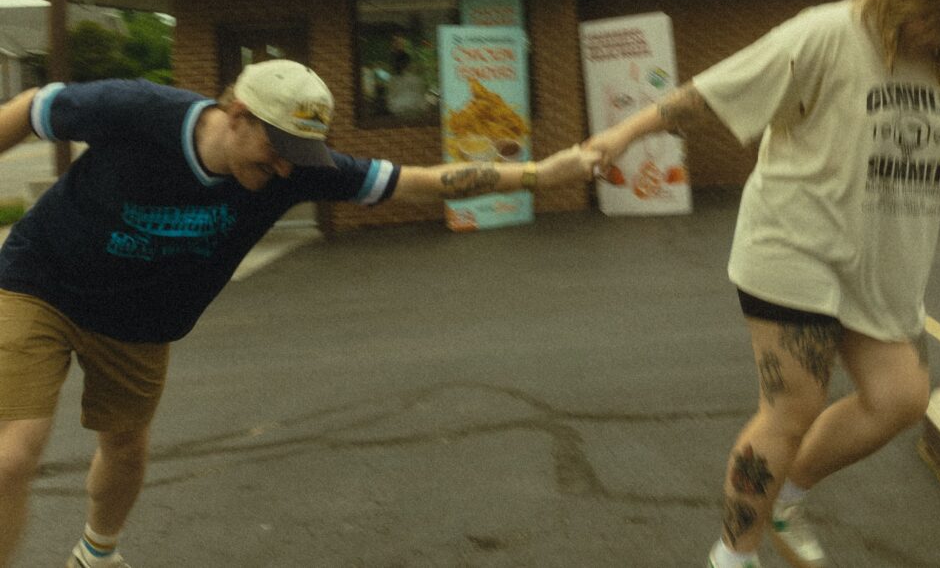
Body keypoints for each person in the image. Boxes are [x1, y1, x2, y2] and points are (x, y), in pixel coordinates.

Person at [0, 59, 598, 568]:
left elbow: (419, 181)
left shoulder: (297, 171)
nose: (285, 168)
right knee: (12, 454)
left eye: (298, 154)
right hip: (43, 280)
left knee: (126, 444)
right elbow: (32, 107)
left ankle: (97, 553)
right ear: (236, 113)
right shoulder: (134, 109)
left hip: (140, 319)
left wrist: (538, 175)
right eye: (276, 146)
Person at [585, 0, 940, 568]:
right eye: (929, 17)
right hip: (793, 244)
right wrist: (624, 132)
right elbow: (713, 91)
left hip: (882, 262)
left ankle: (786, 496)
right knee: (793, 406)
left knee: (900, 397)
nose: (932, 34)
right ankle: (734, 555)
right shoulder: (828, 34)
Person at [385, 50, 431, 117]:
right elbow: (422, 103)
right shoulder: (416, 80)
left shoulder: (393, 80)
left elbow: (390, 103)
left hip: (398, 116)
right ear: (409, 64)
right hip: (414, 116)